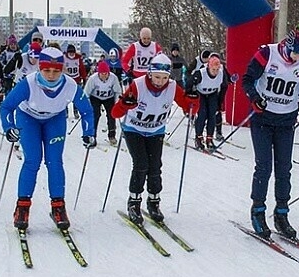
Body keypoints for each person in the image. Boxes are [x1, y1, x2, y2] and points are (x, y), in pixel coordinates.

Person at [0, 47, 96, 231]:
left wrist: (88, 132)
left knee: (54, 162)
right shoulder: (28, 83)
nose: (51, 75)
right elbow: (6, 107)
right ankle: (22, 207)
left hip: (55, 119)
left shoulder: (70, 85)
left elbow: (87, 110)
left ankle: (58, 206)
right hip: (28, 118)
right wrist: (9, 128)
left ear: (62, 69)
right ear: (39, 68)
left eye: (56, 70)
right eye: (46, 70)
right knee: (32, 161)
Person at [242, 23, 299, 239]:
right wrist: (254, 98)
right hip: (263, 118)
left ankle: (281, 213)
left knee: (284, 168)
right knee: (264, 166)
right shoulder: (268, 53)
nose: (298, 58)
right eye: (295, 53)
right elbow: (248, 80)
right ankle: (258, 210)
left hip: (286, 119)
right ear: (287, 45)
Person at [111, 53, 196, 225]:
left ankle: (154, 202)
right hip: (134, 128)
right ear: (150, 73)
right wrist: (124, 105)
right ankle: (134, 202)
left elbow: (189, 108)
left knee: (155, 166)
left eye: (164, 77)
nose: (160, 81)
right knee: (141, 164)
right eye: (156, 77)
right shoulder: (138, 85)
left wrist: (194, 100)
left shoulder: (172, 87)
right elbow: (115, 113)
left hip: (156, 130)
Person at [187, 52, 227, 150]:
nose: (215, 72)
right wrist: (190, 95)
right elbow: (189, 83)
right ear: (209, 66)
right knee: (202, 114)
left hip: (212, 94)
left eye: (217, 69)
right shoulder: (201, 73)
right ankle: (199, 138)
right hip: (201, 94)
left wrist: (220, 102)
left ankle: (209, 139)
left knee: (212, 115)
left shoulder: (221, 73)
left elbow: (224, 87)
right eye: (213, 69)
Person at [83, 60, 122, 145]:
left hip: (109, 98)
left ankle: (112, 135)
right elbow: (86, 93)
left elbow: (118, 91)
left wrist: (117, 103)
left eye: (106, 73)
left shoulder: (113, 78)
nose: (104, 76)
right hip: (95, 98)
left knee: (112, 115)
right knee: (95, 115)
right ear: (98, 73)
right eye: (102, 74)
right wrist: (88, 104)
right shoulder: (93, 79)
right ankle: (93, 135)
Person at [0, 35, 21, 101]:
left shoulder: (19, 53)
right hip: (6, 76)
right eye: (11, 44)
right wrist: (5, 66)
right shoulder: (5, 52)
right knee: (6, 92)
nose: (13, 46)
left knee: (15, 93)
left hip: (15, 76)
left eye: (14, 44)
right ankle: (3, 104)